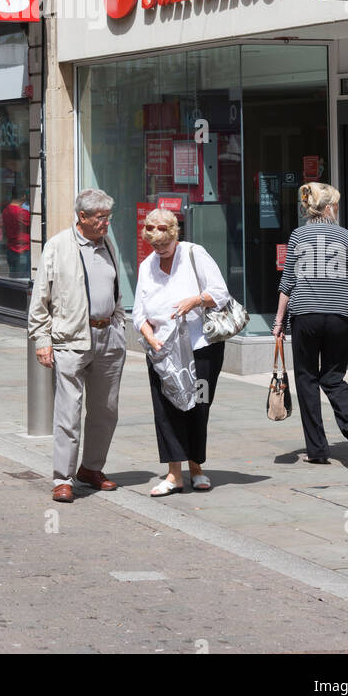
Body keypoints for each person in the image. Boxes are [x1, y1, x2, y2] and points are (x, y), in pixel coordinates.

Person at [28, 188, 126, 504]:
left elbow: (116, 289)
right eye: (100, 218)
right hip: (71, 339)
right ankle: (63, 478)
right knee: (68, 412)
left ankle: (91, 468)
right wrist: (42, 340)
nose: (106, 224)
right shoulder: (58, 246)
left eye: (108, 218)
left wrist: (120, 325)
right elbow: (40, 298)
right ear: (82, 216)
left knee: (105, 410)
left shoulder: (107, 244)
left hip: (108, 337)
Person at [132, 208, 229, 495]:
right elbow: (139, 313)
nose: (159, 249)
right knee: (166, 410)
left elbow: (220, 293)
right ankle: (174, 474)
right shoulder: (146, 266)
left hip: (201, 349)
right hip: (163, 352)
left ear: (174, 235)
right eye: (154, 244)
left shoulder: (193, 253)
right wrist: (149, 336)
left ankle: (196, 467)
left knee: (199, 407)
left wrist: (195, 301)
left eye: (163, 243)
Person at [272, 181, 348, 465]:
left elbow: (287, 283)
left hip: (306, 315)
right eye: (335, 204)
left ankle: (317, 449)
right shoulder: (346, 236)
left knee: (307, 378)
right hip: (340, 314)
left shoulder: (299, 236)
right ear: (328, 208)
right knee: (333, 377)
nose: (337, 209)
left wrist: (278, 322)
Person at [0, 187, 31, 278]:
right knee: (22, 279)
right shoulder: (21, 212)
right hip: (22, 250)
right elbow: (34, 222)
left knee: (13, 278)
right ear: (23, 196)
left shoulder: (6, 210)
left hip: (11, 249)